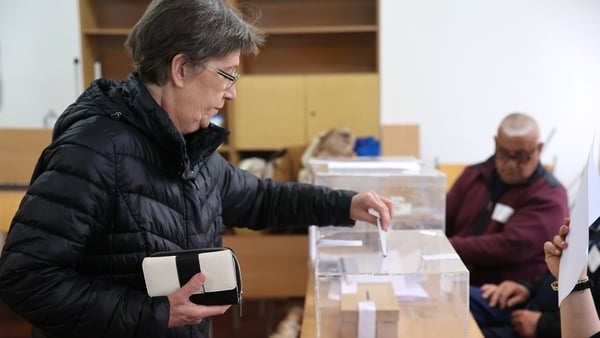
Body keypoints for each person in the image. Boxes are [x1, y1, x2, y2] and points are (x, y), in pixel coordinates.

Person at [0, 1, 394, 338]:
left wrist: (347, 204)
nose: (232, 91)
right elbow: (26, 278)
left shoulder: (189, 145)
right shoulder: (94, 151)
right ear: (181, 68)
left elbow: (261, 197)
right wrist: (152, 314)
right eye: (227, 74)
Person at [446, 112, 569, 286]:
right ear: (495, 143)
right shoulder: (474, 175)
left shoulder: (550, 195)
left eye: (521, 156)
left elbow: (510, 246)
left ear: (538, 149)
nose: (511, 164)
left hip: (503, 293)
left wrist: (444, 246)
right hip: (455, 279)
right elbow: (443, 216)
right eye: (503, 153)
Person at [544, 218, 600, 338]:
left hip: (547, 322)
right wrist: (527, 287)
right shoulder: (595, 220)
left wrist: (541, 324)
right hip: (537, 303)